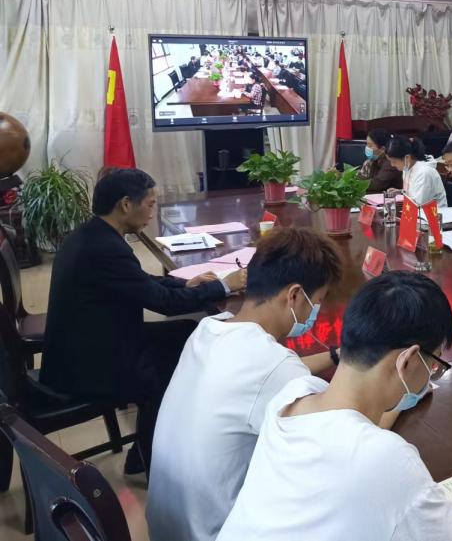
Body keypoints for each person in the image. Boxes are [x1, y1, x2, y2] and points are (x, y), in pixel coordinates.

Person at [217, 271, 452, 541]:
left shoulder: (292, 398)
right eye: (434, 363)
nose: (432, 374)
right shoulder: (389, 460)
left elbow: (351, 432)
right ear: (408, 360)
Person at [147, 228, 355, 541]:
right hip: (214, 533)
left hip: (167, 528)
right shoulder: (274, 367)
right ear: (294, 295)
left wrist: (336, 356)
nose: (317, 311)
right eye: (318, 301)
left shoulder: (209, 330)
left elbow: (275, 374)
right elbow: (344, 442)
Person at [40, 169, 246, 477]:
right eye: (150, 204)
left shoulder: (92, 234)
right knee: (169, 367)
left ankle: (145, 449)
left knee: (187, 332)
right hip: (88, 365)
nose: (152, 211)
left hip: (85, 342)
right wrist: (224, 286)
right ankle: (155, 459)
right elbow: (164, 304)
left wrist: (185, 282)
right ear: (126, 204)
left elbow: (139, 281)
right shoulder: (106, 248)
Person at [387, 136, 447, 208]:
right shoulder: (407, 167)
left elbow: (418, 203)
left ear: (407, 158)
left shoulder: (424, 172)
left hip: (435, 213)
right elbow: (413, 192)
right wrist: (401, 192)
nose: (392, 165)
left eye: (394, 161)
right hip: (416, 210)